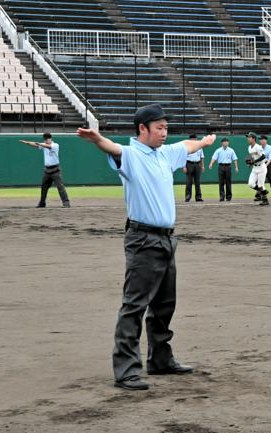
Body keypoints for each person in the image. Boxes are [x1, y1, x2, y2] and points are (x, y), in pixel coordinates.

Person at [76, 104, 216, 391]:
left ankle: (160, 360)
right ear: (143, 128)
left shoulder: (163, 153)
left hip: (167, 238)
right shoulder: (131, 155)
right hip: (143, 239)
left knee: (164, 305)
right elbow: (112, 148)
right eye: (159, 128)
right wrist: (96, 139)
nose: (164, 133)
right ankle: (126, 369)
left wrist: (203, 141)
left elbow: (185, 146)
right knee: (135, 305)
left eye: (166, 128)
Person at [20, 132, 71, 208]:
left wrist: (40, 144)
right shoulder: (43, 145)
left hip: (55, 170)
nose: (46, 141)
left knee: (60, 186)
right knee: (44, 187)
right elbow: (36, 145)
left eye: (47, 139)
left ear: (50, 138)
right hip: (47, 171)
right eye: (45, 139)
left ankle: (66, 203)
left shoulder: (55, 145)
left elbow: (48, 146)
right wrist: (27, 143)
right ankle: (42, 203)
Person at [208, 137, 238, 202]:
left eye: (227, 141)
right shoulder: (218, 150)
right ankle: (222, 196)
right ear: (222, 143)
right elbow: (214, 158)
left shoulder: (231, 150)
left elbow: (235, 159)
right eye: (224, 142)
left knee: (228, 182)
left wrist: (236, 167)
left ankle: (229, 196)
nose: (226, 143)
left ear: (228, 143)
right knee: (221, 182)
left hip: (228, 166)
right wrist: (211, 164)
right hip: (221, 166)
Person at [246, 132, 269, 206]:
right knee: (251, 184)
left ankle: (265, 200)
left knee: (260, 185)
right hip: (255, 168)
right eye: (248, 137)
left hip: (262, 167)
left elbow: (263, 156)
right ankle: (263, 191)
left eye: (249, 137)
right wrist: (250, 164)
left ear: (253, 138)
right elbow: (253, 158)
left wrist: (254, 161)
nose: (248, 139)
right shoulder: (249, 148)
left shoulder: (258, 147)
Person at [183, 133, 204, 202]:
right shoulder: (186, 147)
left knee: (197, 181)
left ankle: (198, 197)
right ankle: (188, 196)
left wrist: (202, 166)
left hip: (197, 164)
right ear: (190, 139)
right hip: (189, 164)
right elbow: (183, 157)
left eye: (195, 139)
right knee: (189, 181)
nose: (194, 140)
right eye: (193, 139)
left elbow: (202, 157)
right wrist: (184, 167)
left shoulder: (199, 147)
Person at [259, 135, 271, 201]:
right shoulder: (259, 148)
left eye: (262, 139)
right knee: (260, 182)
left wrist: (265, 165)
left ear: (266, 140)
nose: (261, 140)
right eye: (260, 139)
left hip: (268, 165)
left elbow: (270, 158)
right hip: (261, 165)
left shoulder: (270, 147)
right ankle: (260, 196)